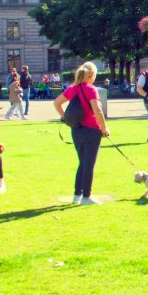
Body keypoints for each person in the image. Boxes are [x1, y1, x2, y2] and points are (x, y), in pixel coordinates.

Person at [54, 62, 110, 206]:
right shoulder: (91, 89)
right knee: (89, 164)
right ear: (92, 75)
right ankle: (87, 196)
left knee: (82, 163)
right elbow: (97, 110)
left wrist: (65, 118)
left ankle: (77, 195)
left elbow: (57, 103)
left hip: (76, 129)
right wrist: (104, 128)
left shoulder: (72, 88)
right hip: (91, 130)